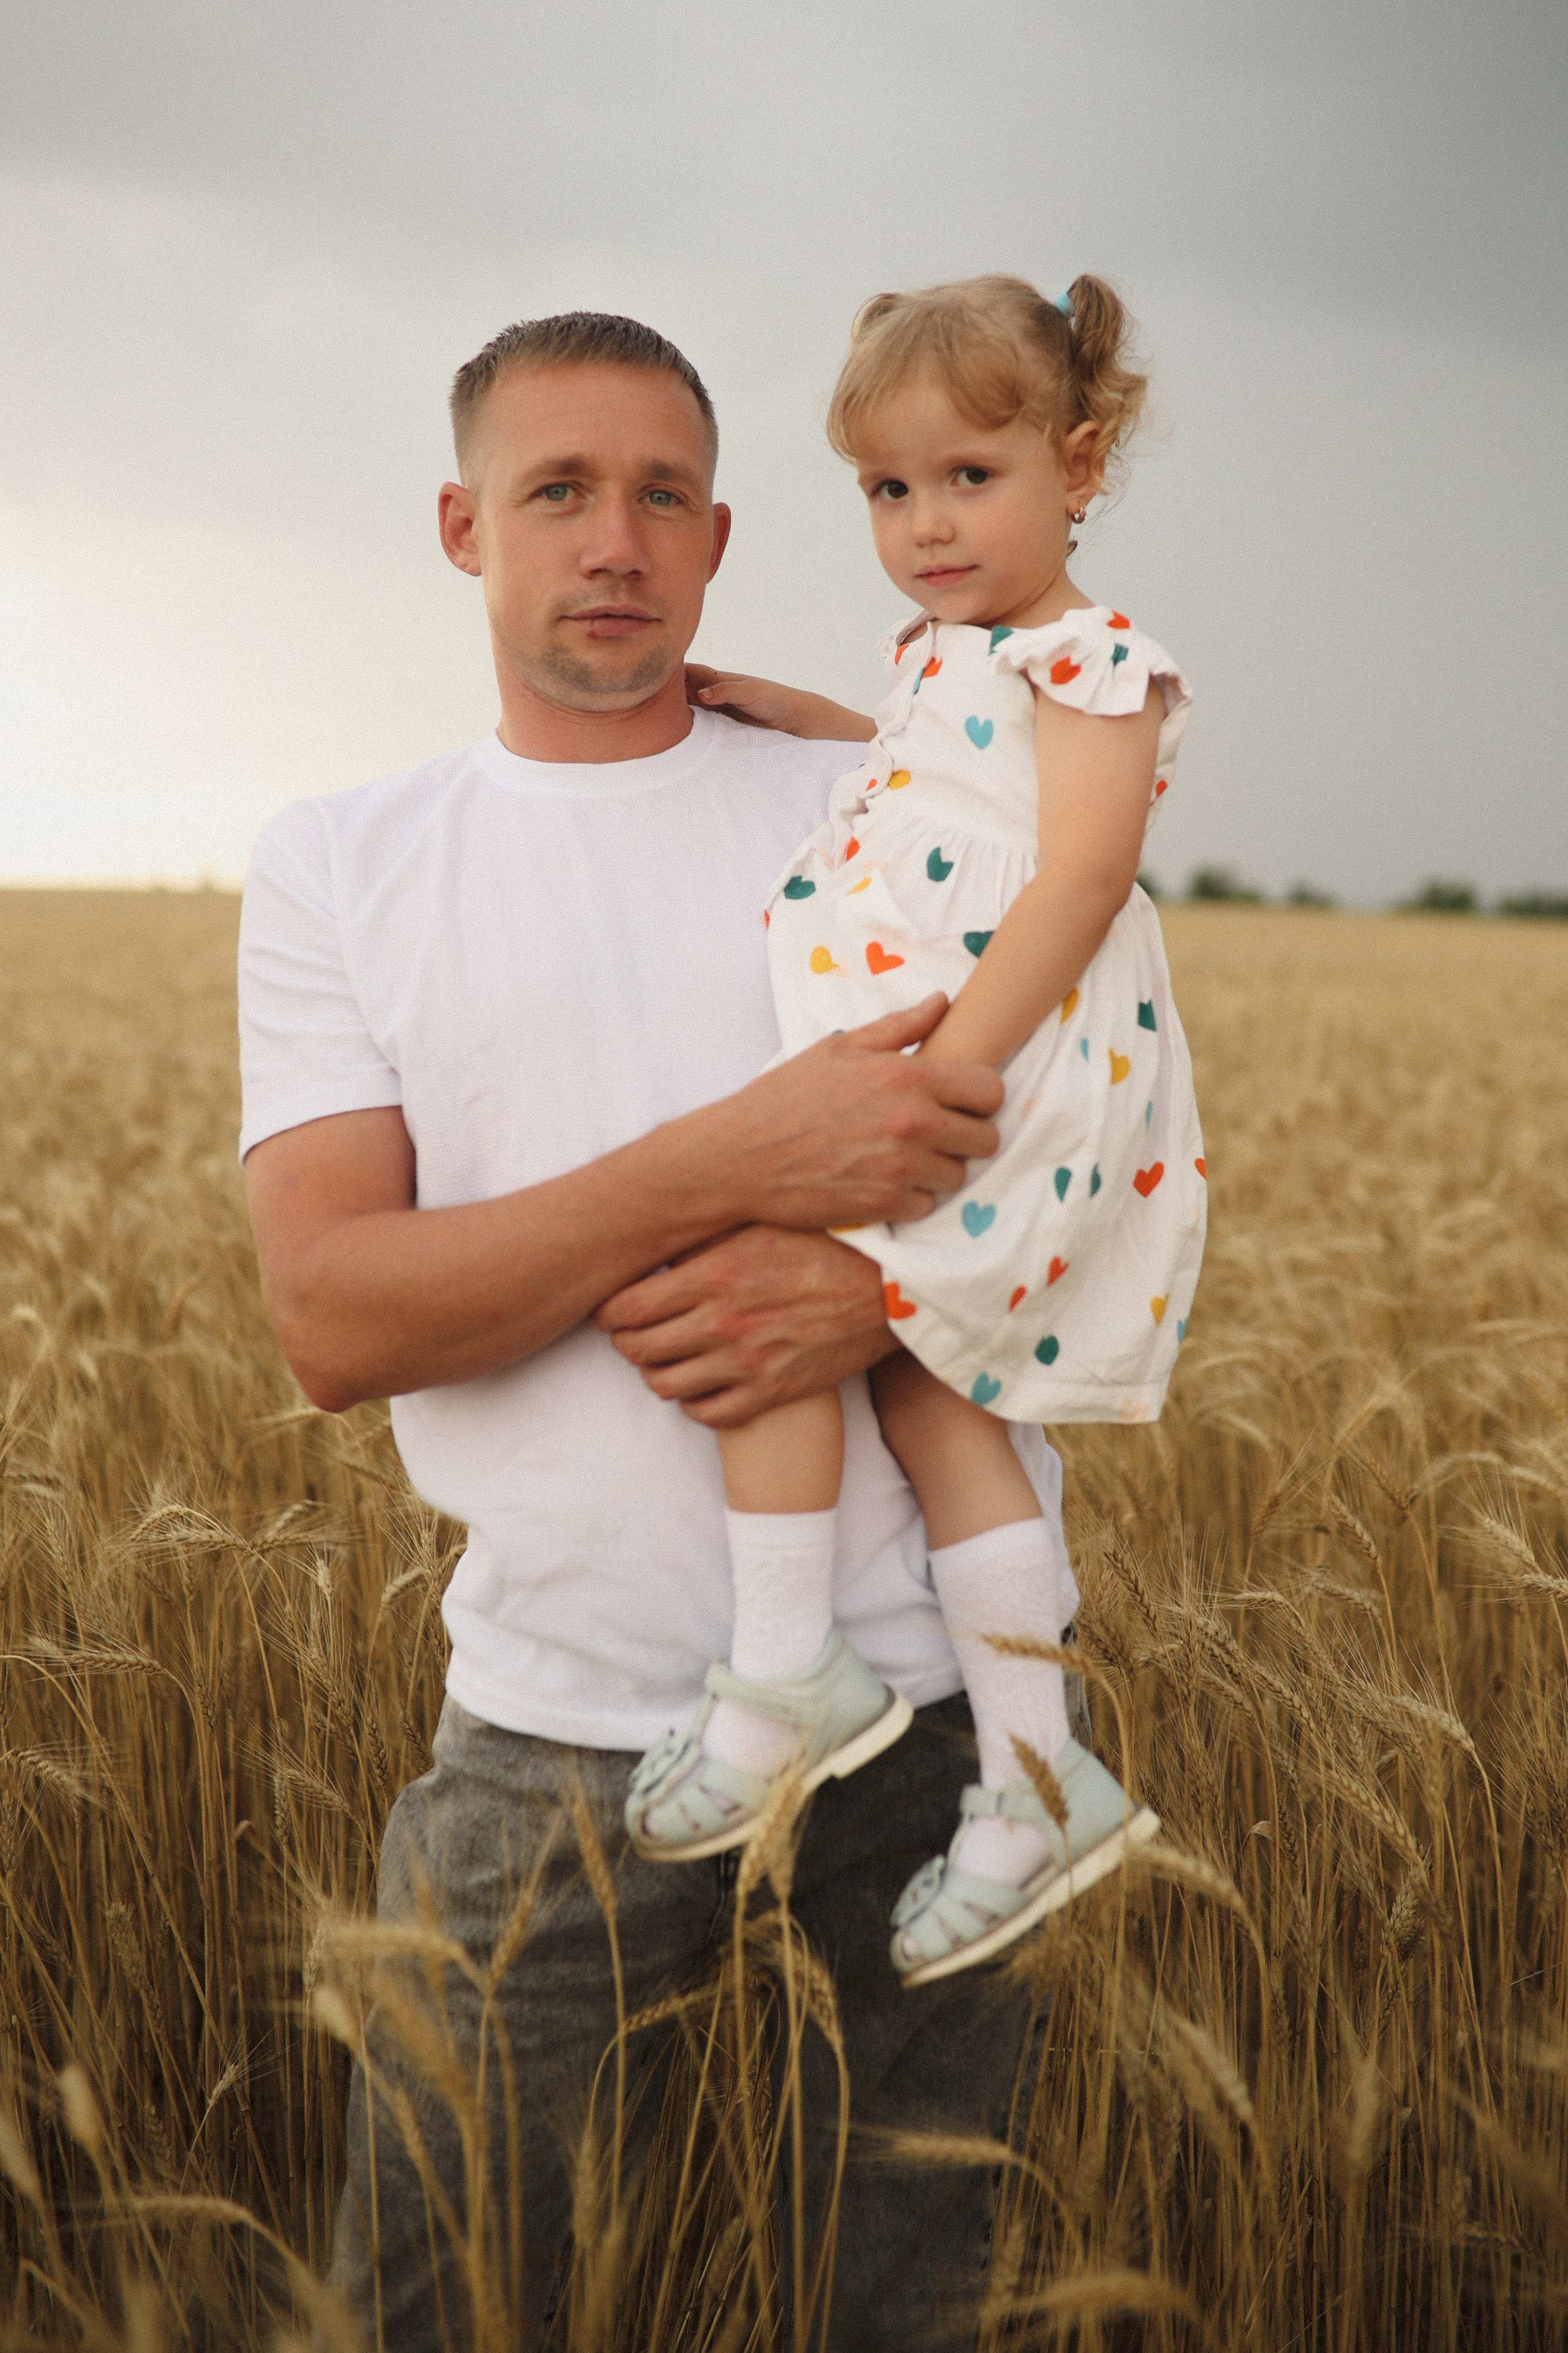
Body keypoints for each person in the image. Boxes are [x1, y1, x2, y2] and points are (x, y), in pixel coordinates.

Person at [238, 310, 1085, 2349]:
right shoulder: (345, 863)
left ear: (717, 538)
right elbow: (334, 1316)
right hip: (553, 1732)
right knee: (435, 2309)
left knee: (909, 2318)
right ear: (466, 527)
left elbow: (1113, 1153)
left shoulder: (881, 796)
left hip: (938, 1740)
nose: (614, 539)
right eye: (558, 491)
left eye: (662, 495)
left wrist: (874, 1291)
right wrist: (733, 1158)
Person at [625, 274, 1204, 1988]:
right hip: (956, 1063)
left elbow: (1081, 873)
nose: (927, 523)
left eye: (970, 477)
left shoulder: (1096, 660)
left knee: (766, 1279)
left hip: (988, 1068)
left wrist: (948, 1072)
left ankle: (788, 1672)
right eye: (889, 489)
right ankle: (1034, 1778)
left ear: (1076, 466)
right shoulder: (952, 655)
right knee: (930, 1391)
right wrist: (793, 710)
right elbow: (928, 767)